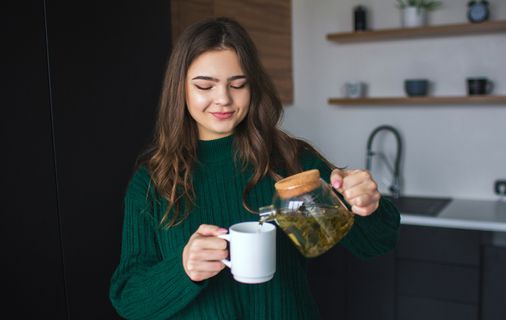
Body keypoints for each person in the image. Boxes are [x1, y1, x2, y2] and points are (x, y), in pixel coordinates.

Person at [109, 17, 400, 320]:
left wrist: (366, 205)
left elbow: (376, 244)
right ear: (179, 89)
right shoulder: (153, 182)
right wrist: (182, 270)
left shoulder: (291, 162)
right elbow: (129, 299)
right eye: (205, 85)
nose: (223, 99)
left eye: (237, 84)